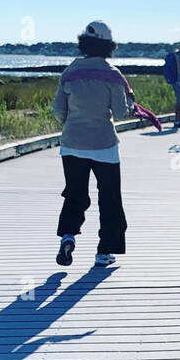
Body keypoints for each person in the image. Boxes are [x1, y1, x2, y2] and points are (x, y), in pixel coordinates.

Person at [52, 20, 130, 268]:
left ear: (83, 43)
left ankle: (68, 236)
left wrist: (71, 124)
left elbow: (57, 109)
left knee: (74, 194)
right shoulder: (112, 74)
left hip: (71, 143)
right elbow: (120, 113)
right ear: (109, 45)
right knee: (109, 198)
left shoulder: (70, 71)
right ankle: (104, 251)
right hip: (103, 145)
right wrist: (130, 103)